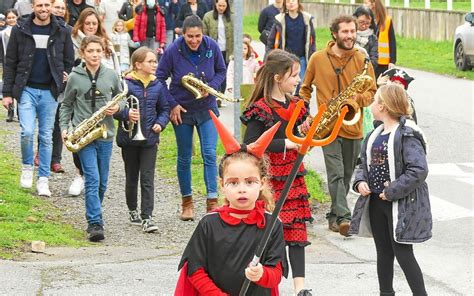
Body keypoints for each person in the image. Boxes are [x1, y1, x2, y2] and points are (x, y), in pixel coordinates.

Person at [175, 112, 288, 295]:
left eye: (250, 181)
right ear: (222, 185)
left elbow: (276, 272)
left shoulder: (272, 224)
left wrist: (262, 274)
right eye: (233, 183)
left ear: (262, 183)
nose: (241, 189)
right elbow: (195, 270)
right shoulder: (209, 223)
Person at [241, 49, 312, 296]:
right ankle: (266, 283)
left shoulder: (296, 106)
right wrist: (287, 143)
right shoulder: (260, 109)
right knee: (269, 230)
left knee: (297, 229)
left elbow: (301, 138)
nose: (297, 80)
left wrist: (306, 136)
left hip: (294, 173)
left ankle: (300, 288)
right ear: (277, 77)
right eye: (293, 75)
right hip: (270, 178)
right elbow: (251, 145)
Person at [349, 84, 431, 296]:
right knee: (383, 252)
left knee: (403, 253)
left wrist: (393, 190)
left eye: (375, 101)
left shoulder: (407, 135)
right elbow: (362, 165)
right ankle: (385, 292)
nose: (372, 104)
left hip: (400, 205)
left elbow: (418, 170)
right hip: (376, 202)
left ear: (383, 106)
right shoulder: (374, 134)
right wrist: (360, 182)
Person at [299, 15, 377, 237]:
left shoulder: (362, 59)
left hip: (353, 125)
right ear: (334, 34)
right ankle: (345, 218)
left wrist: (355, 102)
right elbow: (305, 89)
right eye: (345, 32)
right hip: (327, 126)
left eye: (352, 31)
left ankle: (334, 218)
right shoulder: (317, 58)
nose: (350, 36)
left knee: (346, 175)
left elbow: (371, 92)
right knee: (335, 172)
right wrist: (304, 114)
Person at [156, 15, 226, 221]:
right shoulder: (172, 50)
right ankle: (187, 203)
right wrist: (171, 104)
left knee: (210, 153)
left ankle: (212, 202)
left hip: (207, 108)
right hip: (182, 109)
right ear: (182, 34)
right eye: (189, 37)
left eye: (197, 36)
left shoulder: (211, 46)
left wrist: (211, 87)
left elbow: (221, 70)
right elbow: (160, 78)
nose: (194, 41)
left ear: (203, 33)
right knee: (184, 156)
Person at [2, 0, 74, 196]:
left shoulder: (63, 30)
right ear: (33, 6)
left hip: (50, 91)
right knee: (26, 131)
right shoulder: (20, 29)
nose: (43, 9)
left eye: (46, 5)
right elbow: (10, 63)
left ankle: (43, 179)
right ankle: (27, 166)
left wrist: (66, 74)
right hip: (26, 89)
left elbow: (69, 59)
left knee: (46, 135)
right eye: (39, 5)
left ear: (51, 6)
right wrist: (7, 93)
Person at [60, 35, 124, 242]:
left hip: (105, 133)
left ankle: (94, 211)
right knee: (92, 178)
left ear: (103, 52)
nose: (94, 55)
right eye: (90, 51)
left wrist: (118, 108)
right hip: (84, 135)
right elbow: (67, 104)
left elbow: (121, 98)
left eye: (98, 51)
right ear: (83, 53)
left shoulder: (111, 75)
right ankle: (95, 222)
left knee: (102, 182)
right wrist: (64, 128)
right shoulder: (74, 77)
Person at [114, 47, 170, 233]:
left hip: (149, 139)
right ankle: (132, 209)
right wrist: (126, 114)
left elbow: (165, 109)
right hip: (129, 138)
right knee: (132, 176)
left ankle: (148, 217)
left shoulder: (158, 85)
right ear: (138, 64)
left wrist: (160, 124)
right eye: (150, 61)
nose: (155, 64)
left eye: (155, 61)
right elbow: (115, 109)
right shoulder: (125, 84)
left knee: (147, 178)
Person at [68, 7, 121, 196]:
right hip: (80, 96)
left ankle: (93, 199)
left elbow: (115, 73)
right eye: (87, 23)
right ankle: (80, 174)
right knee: (80, 141)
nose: (91, 26)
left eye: (94, 23)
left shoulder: (105, 44)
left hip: (103, 103)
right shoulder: (73, 41)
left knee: (101, 180)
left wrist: (117, 103)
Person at [266, 0, 316, 86]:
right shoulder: (280, 19)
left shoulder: (306, 19)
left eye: (293, 0)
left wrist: (313, 56)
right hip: (286, 59)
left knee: (301, 85)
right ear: (285, 3)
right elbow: (271, 40)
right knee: (286, 84)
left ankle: (299, 99)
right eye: (288, 1)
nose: (291, 3)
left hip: (302, 58)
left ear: (298, 2)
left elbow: (312, 41)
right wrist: (269, 55)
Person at [364, 0, 396, 78]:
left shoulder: (387, 20)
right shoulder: (365, 20)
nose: (364, 5)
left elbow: (392, 41)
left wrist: (392, 61)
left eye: (366, 2)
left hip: (383, 63)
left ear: (373, 4)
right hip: (369, 60)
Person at [0, 8, 19, 122]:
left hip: (20, 62)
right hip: (8, 63)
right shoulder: (3, 33)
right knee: (9, 87)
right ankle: (10, 111)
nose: (11, 20)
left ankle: (20, 112)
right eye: (9, 18)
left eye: (13, 17)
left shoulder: (22, 31)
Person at [202, 0, 233, 64]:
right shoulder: (208, 17)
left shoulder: (233, 17)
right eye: (219, 6)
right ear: (215, 4)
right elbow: (204, 35)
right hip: (214, 50)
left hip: (229, 51)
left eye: (224, 6)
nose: (221, 8)